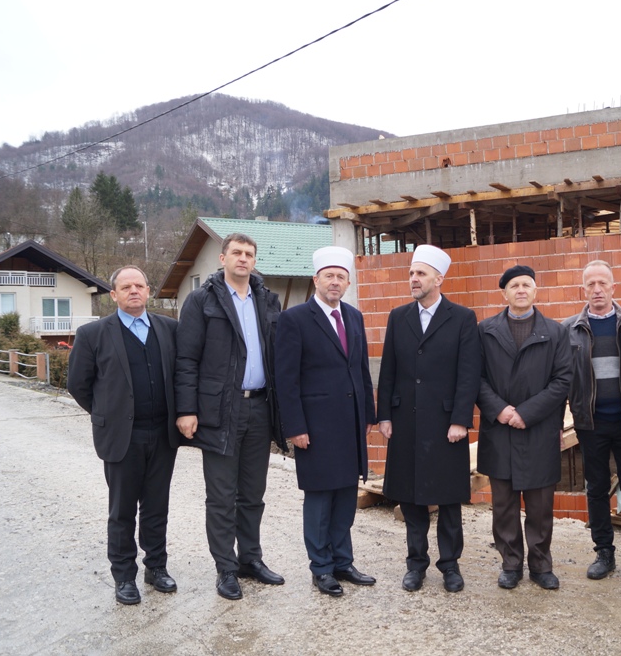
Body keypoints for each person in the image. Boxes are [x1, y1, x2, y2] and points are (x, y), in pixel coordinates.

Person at [175, 232, 287, 600]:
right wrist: (186, 409)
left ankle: (250, 559)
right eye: (236, 252)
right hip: (220, 409)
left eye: (249, 254)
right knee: (222, 496)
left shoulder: (268, 300)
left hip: (260, 407)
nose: (243, 258)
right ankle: (226, 568)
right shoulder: (201, 300)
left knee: (253, 493)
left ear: (254, 261)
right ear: (222, 258)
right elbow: (186, 359)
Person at [67, 265, 179, 605]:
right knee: (122, 510)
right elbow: (78, 385)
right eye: (126, 286)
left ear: (148, 291)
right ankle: (124, 577)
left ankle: (156, 567)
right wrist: (108, 414)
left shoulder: (169, 329)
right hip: (122, 437)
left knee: (157, 507)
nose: (134, 291)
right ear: (114, 294)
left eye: (139, 286)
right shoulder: (93, 334)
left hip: (162, 435)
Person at [377, 245, 481, 593]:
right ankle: (416, 564)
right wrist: (384, 415)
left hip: (445, 423)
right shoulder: (398, 316)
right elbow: (388, 370)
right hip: (405, 421)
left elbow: (469, 374)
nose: (413, 279)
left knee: (448, 498)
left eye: (420, 273)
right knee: (411, 498)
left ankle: (450, 565)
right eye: (411, 273)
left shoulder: (462, 318)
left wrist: (460, 420)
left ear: (439, 279)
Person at [274, 246, 376, 597]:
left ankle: (343, 562)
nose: (335, 282)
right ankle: (321, 568)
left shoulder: (354, 316)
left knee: (346, 496)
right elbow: (286, 379)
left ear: (348, 282)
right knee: (320, 500)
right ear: (316, 279)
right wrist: (295, 427)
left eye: (341, 277)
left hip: (350, 423)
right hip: (315, 427)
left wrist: (368, 415)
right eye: (329, 276)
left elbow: (360, 369)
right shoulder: (295, 319)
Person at [477, 265, 573, 590]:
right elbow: (475, 378)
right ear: (504, 293)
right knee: (504, 504)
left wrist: (527, 413)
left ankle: (541, 566)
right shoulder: (485, 331)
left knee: (540, 505)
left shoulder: (555, 332)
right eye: (514, 285)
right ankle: (511, 564)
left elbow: (562, 380)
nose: (521, 290)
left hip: (538, 430)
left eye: (526, 285)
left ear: (535, 291)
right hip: (499, 430)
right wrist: (500, 410)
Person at [563, 260, 621, 583]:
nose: (597, 290)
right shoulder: (569, 329)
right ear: (583, 290)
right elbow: (561, 379)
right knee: (596, 487)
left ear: (614, 287)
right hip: (591, 422)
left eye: (603, 283)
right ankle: (603, 552)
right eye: (591, 284)